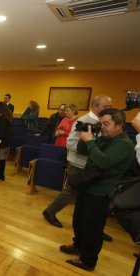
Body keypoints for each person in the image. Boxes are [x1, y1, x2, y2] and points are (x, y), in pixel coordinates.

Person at [60, 108, 135, 271]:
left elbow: (104, 162)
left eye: (106, 124)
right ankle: (78, 245)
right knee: (79, 221)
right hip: (88, 185)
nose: (102, 127)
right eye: (101, 124)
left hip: (101, 192)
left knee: (92, 229)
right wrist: (84, 135)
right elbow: (81, 150)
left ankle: (88, 260)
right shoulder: (105, 138)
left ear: (120, 125)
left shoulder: (124, 144)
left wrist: (90, 142)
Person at [42, 96, 112, 228]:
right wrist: (91, 150)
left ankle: (87, 223)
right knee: (70, 192)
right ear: (95, 106)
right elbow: (71, 143)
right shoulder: (83, 121)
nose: (110, 109)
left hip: (91, 165)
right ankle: (50, 211)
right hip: (79, 164)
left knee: (86, 194)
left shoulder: (102, 121)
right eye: (106, 107)